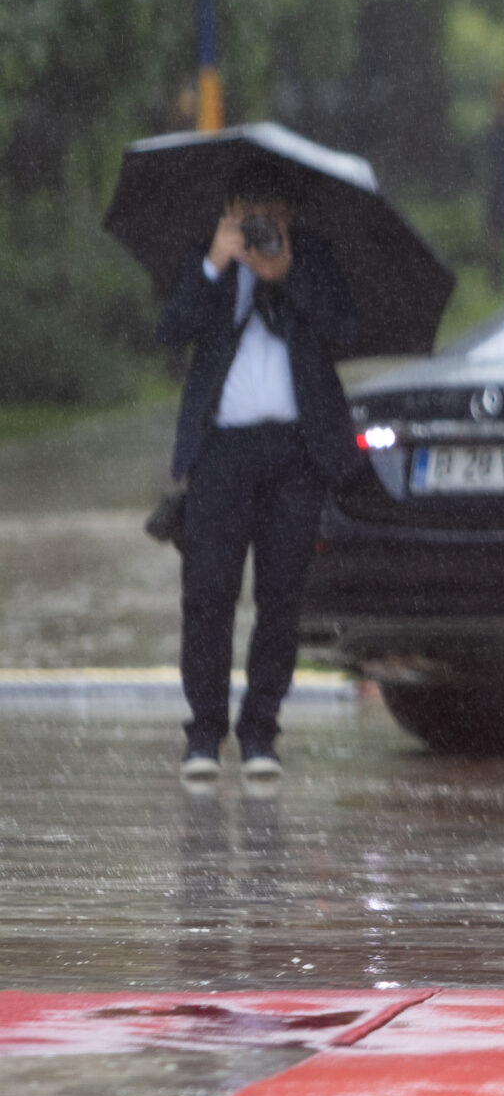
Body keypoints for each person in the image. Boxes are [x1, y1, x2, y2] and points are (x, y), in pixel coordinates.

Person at [156, 156, 363, 783]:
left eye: (272, 213)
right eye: (248, 212)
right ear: (229, 212)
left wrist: (287, 274)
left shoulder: (312, 260)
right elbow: (171, 330)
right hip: (222, 453)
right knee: (207, 595)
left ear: (291, 215)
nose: (260, 224)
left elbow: (346, 330)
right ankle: (204, 734)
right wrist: (215, 264)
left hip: (297, 455)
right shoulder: (208, 262)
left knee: (282, 599)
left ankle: (260, 732)